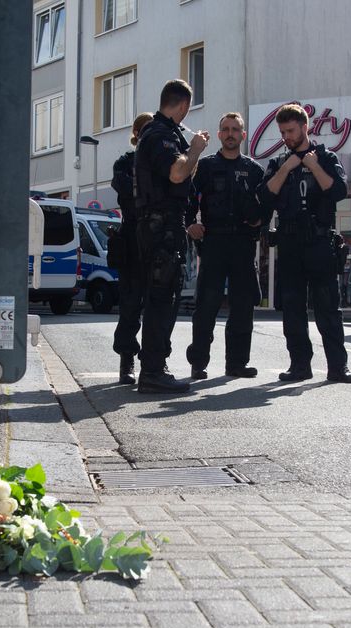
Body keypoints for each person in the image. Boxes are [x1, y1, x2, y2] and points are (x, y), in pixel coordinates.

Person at [259, 103, 351, 383]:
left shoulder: (326, 157)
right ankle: (299, 366)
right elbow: (265, 197)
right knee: (292, 309)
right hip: (290, 243)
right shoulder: (279, 162)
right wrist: (287, 167)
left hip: (318, 242)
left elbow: (339, 191)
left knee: (328, 307)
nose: (286, 137)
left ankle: (338, 367)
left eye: (290, 130)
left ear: (305, 127)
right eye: (282, 132)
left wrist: (313, 166)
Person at [132, 79, 208, 394]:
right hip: (160, 225)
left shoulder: (161, 134)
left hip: (161, 225)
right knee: (161, 298)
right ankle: (152, 370)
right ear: (183, 105)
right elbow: (177, 173)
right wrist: (195, 150)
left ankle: (155, 366)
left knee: (164, 296)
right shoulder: (161, 135)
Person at [185, 112, 264, 379]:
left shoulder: (254, 170)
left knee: (243, 307)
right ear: (219, 135)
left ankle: (237, 364)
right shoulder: (206, 167)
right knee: (206, 305)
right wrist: (189, 224)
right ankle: (198, 362)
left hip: (243, 244)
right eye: (225, 129)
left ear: (243, 135)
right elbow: (187, 199)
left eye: (235, 129)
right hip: (214, 242)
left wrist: (258, 223)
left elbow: (264, 207)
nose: (230, 133)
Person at [110, 111, 154, 385]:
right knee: (130, 303)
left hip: (157, 236)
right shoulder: (124, 163)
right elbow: (127, 190)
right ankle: (127, 359)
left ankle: (153, 360)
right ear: (136, 135)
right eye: (145, 131)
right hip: (132, 237)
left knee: (158, 304)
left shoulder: (163, 162)